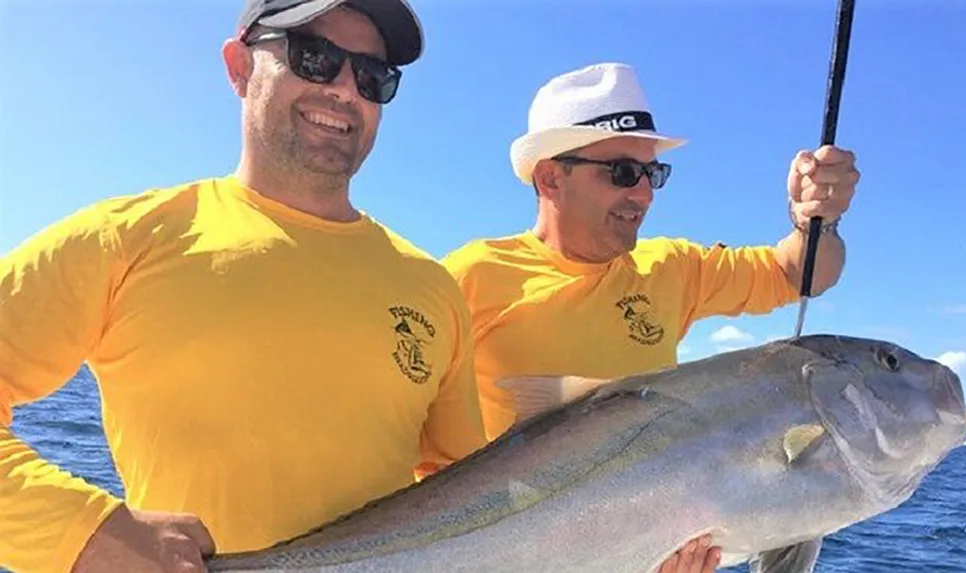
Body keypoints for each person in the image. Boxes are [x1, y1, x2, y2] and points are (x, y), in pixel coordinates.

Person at [0, 2, 487, 572]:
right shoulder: (125, 239)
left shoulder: (433, 287)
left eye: (372, 76)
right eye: (315, 57)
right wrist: (83, 532)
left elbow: (469, 493)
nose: (345, 90)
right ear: (239, 67)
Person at [441, 62, 859, 573]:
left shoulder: (670, 268)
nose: (643, 194)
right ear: (550, 177)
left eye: (652, 173)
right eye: (622, 172)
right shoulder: (469, 277)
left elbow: (800, 273)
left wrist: (817, 219)